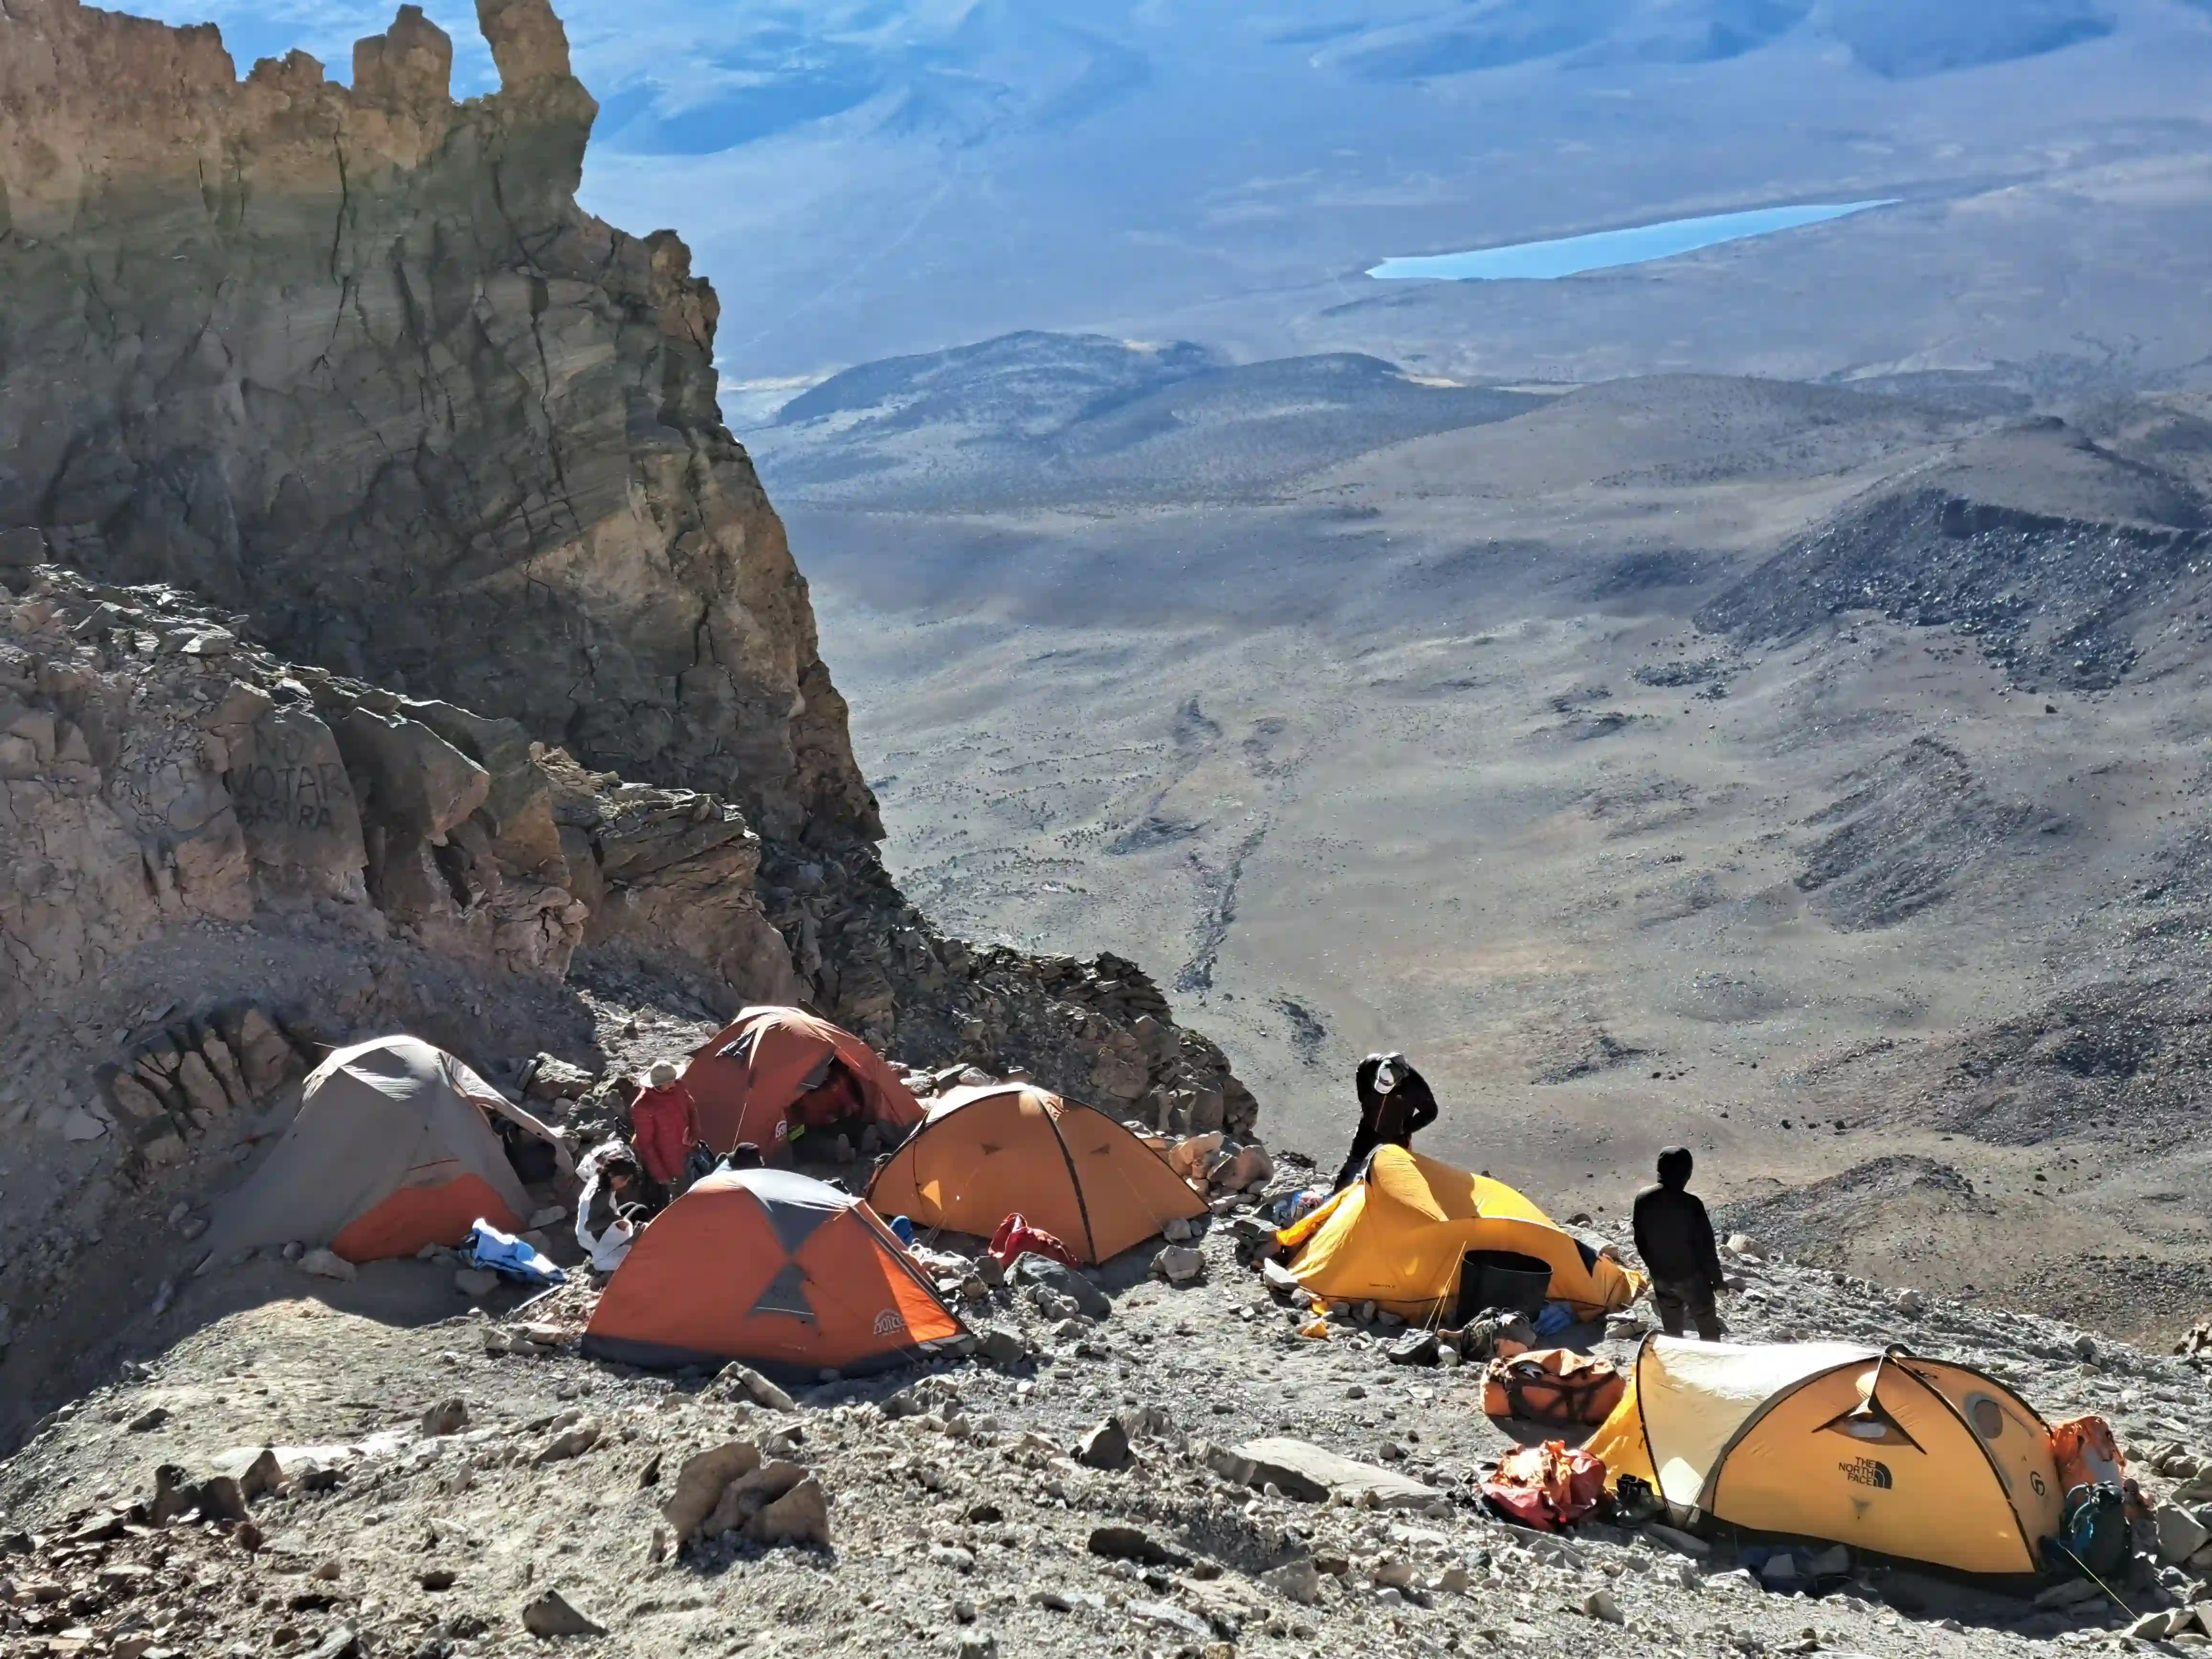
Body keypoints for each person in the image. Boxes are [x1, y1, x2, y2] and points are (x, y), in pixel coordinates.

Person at [1632, 1146, 1725, 1341]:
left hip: (1662, 1278)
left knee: (1673, 1333)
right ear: (1686, 1173)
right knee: (1708, 1330)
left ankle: (1676, 1365)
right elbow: (1707, 1248)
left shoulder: (1643, 1198)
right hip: (1692, 1279)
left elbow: (1640, 1240)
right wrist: (1717, 1281)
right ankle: (1713, 1365)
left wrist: (1655, 1268)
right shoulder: (1692, 1204)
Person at [1332, 1051, 1439, 1189]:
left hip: (1397, 1135)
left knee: (1401, 1170)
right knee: (1353, 1161)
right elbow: (1361, 1070)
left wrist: (1405, 1128)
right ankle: (1337, 1195)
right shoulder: (1372, 1065)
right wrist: (1365, 1101)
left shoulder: (1415, 1087)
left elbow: (1431, 1112)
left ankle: (1398, 1202)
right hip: (1369, 1127)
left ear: (1400, 1079)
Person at [627, 1060, 699, 1201]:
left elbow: (692, 1108)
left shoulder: (678, 1088)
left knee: (696, 1185)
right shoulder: (643, 1106)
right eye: (669, 1082)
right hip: (670, 1160)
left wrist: (695, 1131)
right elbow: (645, 1144)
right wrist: (659, 1173)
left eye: (674, 1080)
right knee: (682, 1196)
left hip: (689, 1150)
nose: (673, 1084)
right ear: (657, 1085)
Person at [575, 1144, 649, 1273]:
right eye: (624, 1179)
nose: (625, 1183)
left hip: (585, 1237)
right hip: (595, 1243)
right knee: (640, 1214)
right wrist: (615, 1219)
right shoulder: (601, 1195)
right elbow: (589, 1225)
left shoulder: (599, 1179)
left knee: (632, 1208)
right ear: (611, 1175)